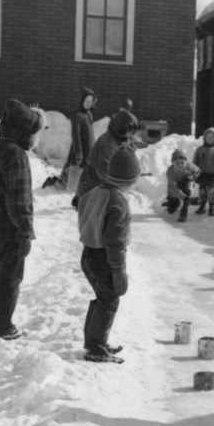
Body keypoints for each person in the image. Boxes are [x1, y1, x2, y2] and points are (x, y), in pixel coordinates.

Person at [0, 98, 45, 341]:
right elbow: (20, 200)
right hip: (11, 227)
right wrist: (26, 232)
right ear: (25, 131)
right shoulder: (17, 156)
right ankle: (1, 326)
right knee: (10, 276)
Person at [77, 142, 142, 363]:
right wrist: (118, 271)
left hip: (88, 254)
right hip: (103, 258)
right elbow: (115, 242)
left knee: (102, 297)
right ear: (129, 180)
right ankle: (96, 347)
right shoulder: (118, 201)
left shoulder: (95, 191)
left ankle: (95, 342)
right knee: (109, 300)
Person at [72, 108, 140, 209]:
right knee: (88, 200)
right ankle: (79, 200)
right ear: (122, 129)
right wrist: (117, 178)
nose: (132, 135)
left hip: (108, 176)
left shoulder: (125, 138)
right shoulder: (108, 142)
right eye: (131, 132)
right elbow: (102, 169)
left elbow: (130, 150)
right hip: (94, 175)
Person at [56, 87, 96, 188]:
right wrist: (79, 153)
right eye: (86, 101)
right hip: (79, 151)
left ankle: (62, 181)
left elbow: (91, 134)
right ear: (82, 100)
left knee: (82, 177)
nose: (88, 103)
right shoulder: (77, 114)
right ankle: (59, 183)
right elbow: (76, 135)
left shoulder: (89, 114)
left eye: (90, 101)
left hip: (88, 151)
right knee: (73, 178)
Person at [193, 127, 214, 216]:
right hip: (202, 175)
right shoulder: (199, 150)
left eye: (212, 137)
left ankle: (212, 207)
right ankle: (202, 206)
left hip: (213, 175)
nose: (210, 139)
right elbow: (195, 162)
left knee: (211, 191)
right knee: (202, 191)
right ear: (205, 138)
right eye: (208, 137)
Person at [165, 149, 200, 222]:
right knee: (171, 210)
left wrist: (193, 177)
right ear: (173, 163)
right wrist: (185, 198)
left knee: (188, 190)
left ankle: (184, 210)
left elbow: (198, 171)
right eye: (177, 162)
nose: (180, 164)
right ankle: (173, 202)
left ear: (185, 161)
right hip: (175, 188)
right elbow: (173, 189)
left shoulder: (189, 166)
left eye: (182, 162)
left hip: (186, 184)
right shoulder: (170, 171)